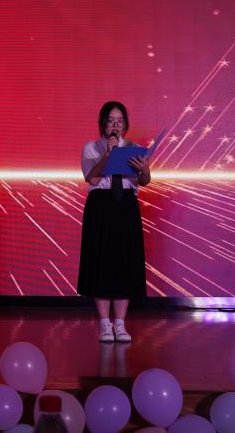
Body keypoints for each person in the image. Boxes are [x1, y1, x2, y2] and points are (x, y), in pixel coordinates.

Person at [77, 101, 150, 343]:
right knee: (102, 262)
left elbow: (143, 181)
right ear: (103, 124)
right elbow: (92, 178)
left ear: (125, 124)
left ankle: (120, 323)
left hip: (126, 206)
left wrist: (145, 170)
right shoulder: (91, 148)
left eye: (120, 121)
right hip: (101, 206)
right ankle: (104, 324)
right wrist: (108, 155)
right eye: (111, 121)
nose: (115, 126)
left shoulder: (134, 149)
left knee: (124, 262)